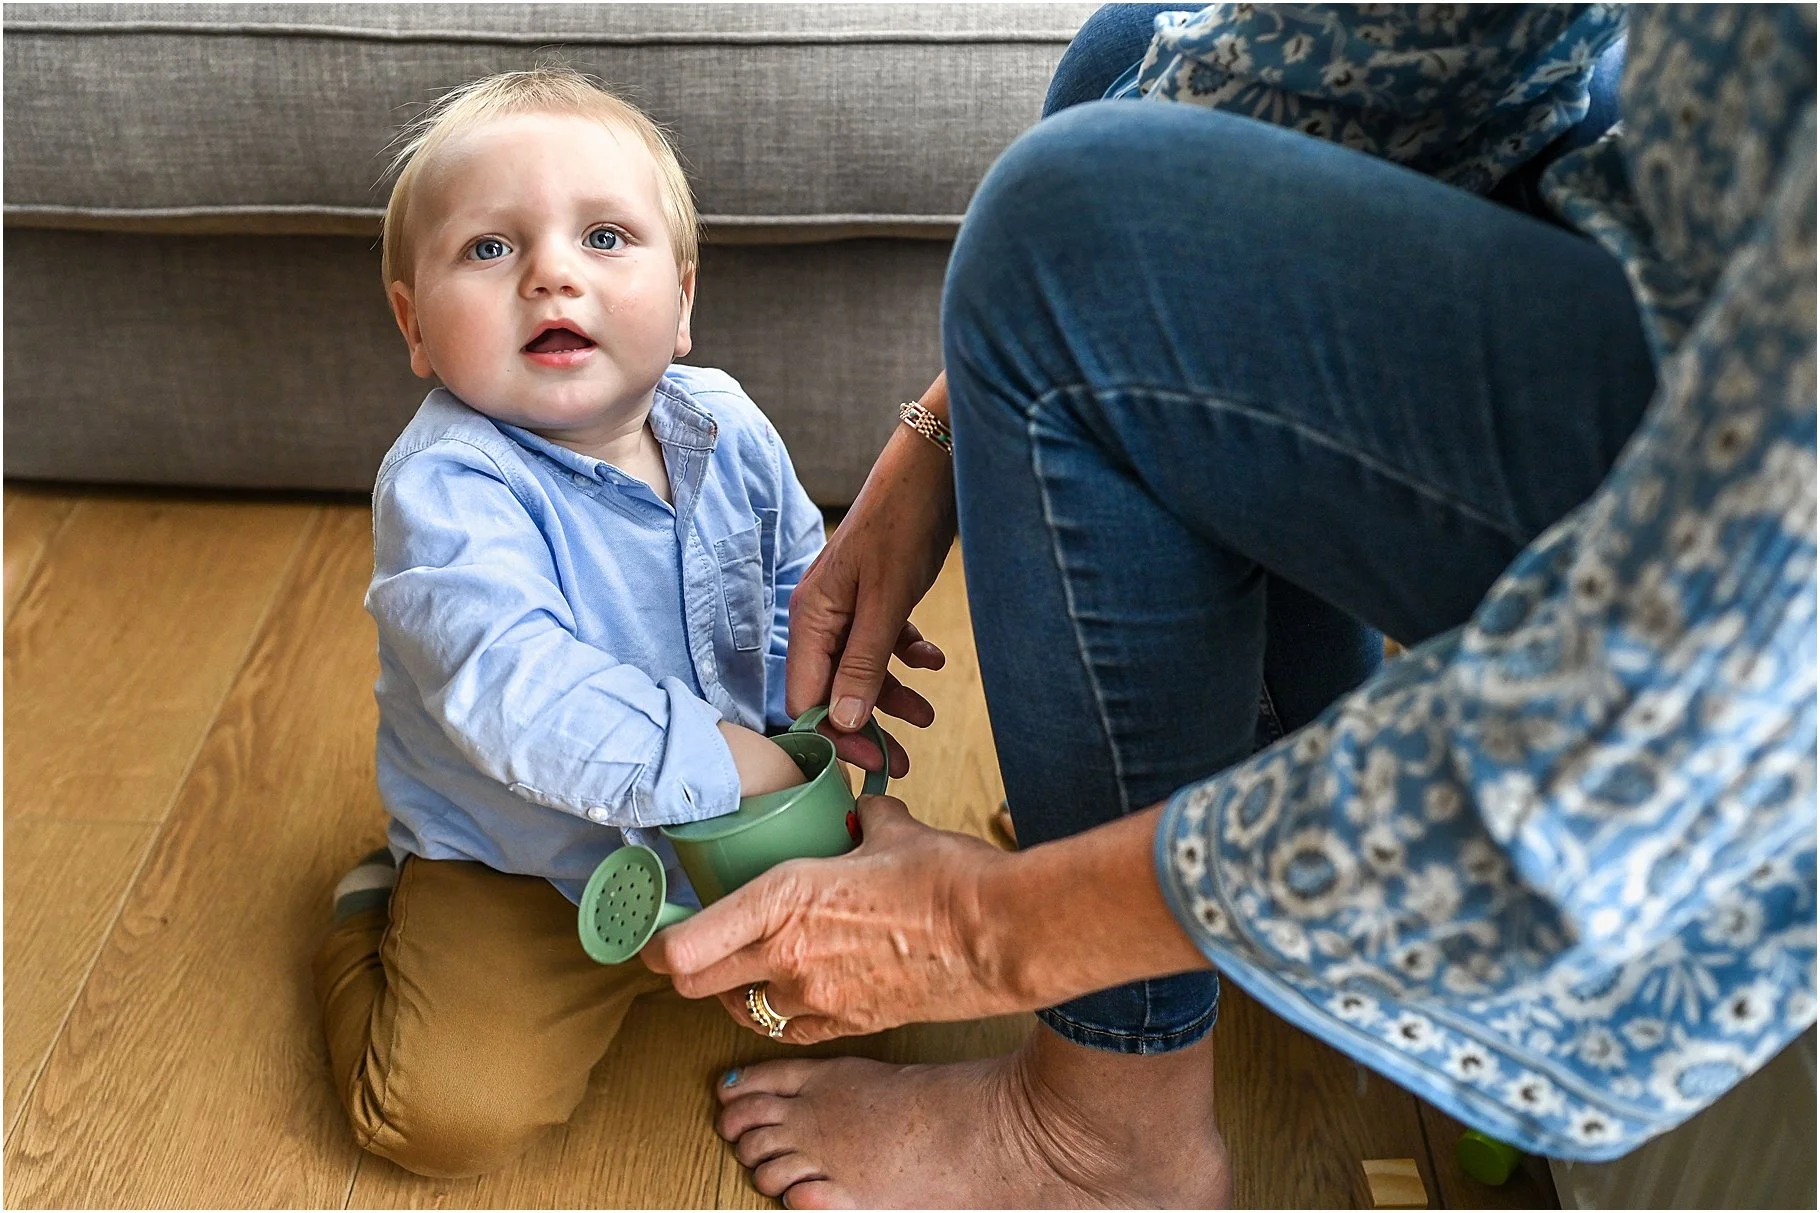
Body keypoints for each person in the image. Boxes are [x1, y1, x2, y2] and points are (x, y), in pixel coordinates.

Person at [645, 5, 1817, 1208]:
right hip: (1732, 282)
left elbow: (1680, 712)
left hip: (1767, 571)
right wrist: (946, 429)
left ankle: (1107, 1136)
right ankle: (1250, 776)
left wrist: (983, 932)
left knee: (1073, 229)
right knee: (1130, 60)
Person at [310, 65, 828, 1177]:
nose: (550, 273)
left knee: (891, 998)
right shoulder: (446, 489)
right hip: (525, 866)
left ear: (682, 299)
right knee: (442, 1119)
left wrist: (827, 707)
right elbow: (516, 682)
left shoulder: (728, 425)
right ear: (412, 321)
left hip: (734, 823)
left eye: (603, 237)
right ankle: (368, 916)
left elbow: (793, 580)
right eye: (490, 249)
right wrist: (725, 764)